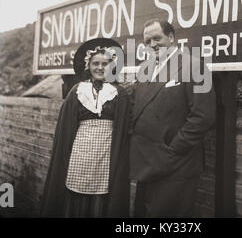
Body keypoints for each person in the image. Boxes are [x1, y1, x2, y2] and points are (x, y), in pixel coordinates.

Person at [130, 19, 216, 218]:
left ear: (171, 37)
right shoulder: (145, 69)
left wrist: (174, 149)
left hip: (176, 164)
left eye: (157, 38)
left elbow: (203, 117)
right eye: (147, 41)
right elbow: (137, 108)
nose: (153, 44)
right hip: (148, 163)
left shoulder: (195, 66)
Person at [41, 38, 130, 218]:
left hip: (106, 155)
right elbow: (65, 129)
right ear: (88, 66)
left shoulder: (119, 93)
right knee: (76, 197)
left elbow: (123, 130)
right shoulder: (77, 91)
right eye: (95, 63)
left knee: (101, 197)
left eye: (104, 64)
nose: (99, 67)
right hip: (80, 153)